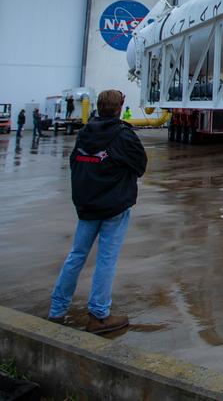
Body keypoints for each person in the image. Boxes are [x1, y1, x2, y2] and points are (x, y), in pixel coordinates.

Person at [46, 89, 147, 333]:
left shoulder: (84, 133)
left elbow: (74, 163)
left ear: (98, 107)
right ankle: (99, 314)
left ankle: (57, 310)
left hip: (87, 205)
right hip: (114, 206)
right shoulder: (124, 135)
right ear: (119, 107)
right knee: (106, 259)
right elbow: (140, 166)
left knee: (76, 255)